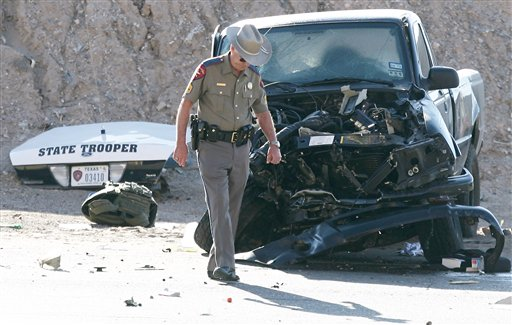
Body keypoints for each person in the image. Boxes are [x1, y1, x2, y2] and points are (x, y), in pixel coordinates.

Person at [173, 24, 281, 282]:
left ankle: (216, 263)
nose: (246, 63)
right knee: (219, 206)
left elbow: (262, 113)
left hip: (242, 148)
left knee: (232, 208)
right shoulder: (207, 70)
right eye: (243, 58)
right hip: (212, 148)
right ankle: (226, 267)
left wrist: (274, 143)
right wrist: (181, 143)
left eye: (251, 60)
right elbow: (185, 105)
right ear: (232, 48)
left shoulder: (253, 76)